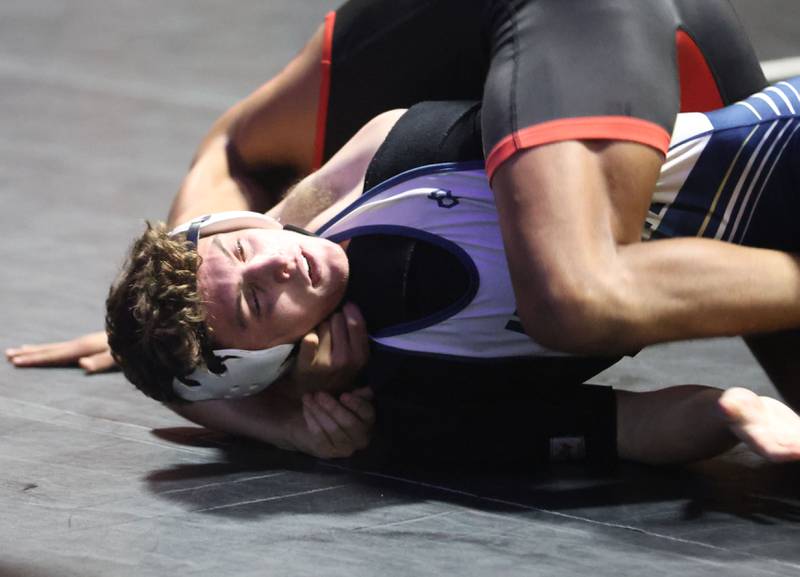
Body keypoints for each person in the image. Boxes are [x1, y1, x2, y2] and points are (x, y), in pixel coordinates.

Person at [99, 76, 800, 467]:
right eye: (257, 302)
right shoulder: (417, 406)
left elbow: (280, 214)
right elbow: (624, 427)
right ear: (265, 362)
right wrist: (730, 410)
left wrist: (284, 418)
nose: (281, 261)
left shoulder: (391, 153)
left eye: (243, 251)